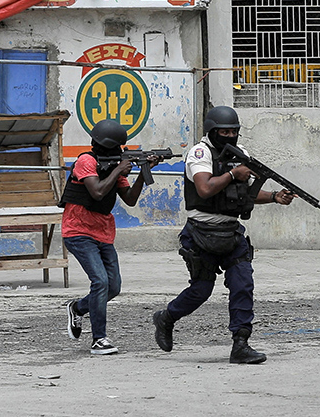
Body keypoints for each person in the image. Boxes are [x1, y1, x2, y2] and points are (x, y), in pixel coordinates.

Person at [153, 106, 294, 364]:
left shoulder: (242, 156)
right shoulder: (199, 153)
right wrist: (232, 173)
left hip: (231, 232)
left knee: (243, 284)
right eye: (224, 131)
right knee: (201, 290)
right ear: (212, 131)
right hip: (201, 232)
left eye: (233, 132)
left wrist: (275, 197)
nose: (229, 136)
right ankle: (167, 317)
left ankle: (240, 344)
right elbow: (204, 188)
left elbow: (247, 193)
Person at [62, 119, 160, 355]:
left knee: (113, 287)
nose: (119, 153)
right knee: (100, 282)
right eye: (117, 148)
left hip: (103, 232)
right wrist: (119, 168)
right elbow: (96, 192)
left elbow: (130, 199)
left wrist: (142, 170)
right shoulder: (86, 161)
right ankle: (99, 339)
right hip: (78, 231)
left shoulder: (115, 166)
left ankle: (78, 308)